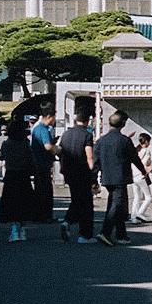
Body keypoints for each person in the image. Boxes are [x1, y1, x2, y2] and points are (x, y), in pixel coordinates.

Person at [92, 111, 150, 245]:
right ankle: (105, 232)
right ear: (122, 124)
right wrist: (143, 171)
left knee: (116, 204)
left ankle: (121, 234)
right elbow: (134, 158)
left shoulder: (101, 141)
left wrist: (93, 179)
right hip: (120, 177)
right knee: (117, 205)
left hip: (107, 177)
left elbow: (96, 162)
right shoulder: (124, 140)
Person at [57, 103, 98, 243]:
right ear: (87, 121)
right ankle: (85, 235)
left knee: (77, 200)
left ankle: (67, 221)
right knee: (86, 203)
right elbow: (89, 157)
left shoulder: (66, 134)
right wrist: (94, 176)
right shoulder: (87, 135)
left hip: (69, 172)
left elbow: (60, 152)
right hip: (83, 173)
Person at [0, 117, 39, 242]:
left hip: (11, 175)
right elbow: (31, 159)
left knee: (12, 203)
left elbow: (1, 156)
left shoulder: (6, 144)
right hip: (23, 175)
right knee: (24, 203)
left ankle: (14, 229)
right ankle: (22, 229)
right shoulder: (25, 143)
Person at [30, 104, 58, 221]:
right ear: (48, 116)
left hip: (37, 163)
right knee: (45, 191)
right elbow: (47, 146)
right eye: (53, 117)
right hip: (43, 164)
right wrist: (57, 149)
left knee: (39, 190)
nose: (54, 120)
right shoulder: (43, 129)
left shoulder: (36, 129)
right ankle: (45, 215)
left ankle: (38, 215)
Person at [130, 133, 152, 222]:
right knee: (148, 197)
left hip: (133, 176)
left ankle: (133, 217)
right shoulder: (146, 151)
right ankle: (140, 213)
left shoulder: (136, 150)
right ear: (146, 141)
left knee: (137, 197)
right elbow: (146, 163)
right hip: (141, 175)